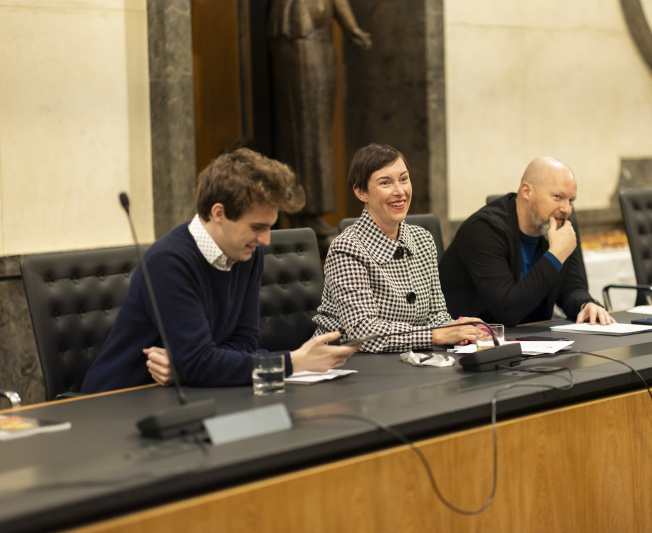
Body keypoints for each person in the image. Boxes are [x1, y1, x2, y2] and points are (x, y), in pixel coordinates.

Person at [81, 148, 358, 394]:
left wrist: (189, 366)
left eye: (269, 227)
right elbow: (200, 361)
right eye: (257, 227)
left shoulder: (249, 253)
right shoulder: (169, 261)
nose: (266, 240)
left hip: (189, 393)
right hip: (121, 401)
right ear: (218, 213)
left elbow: (245, 341)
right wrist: (294, 362)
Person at [313, 143, 478, 352]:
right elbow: (364, 334)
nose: (400, 191)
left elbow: (436, 315)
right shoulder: (346, 248)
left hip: (407, 358)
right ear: (361, 192)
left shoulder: (423, 239)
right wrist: (438, 335)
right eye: (385, 183)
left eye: (404, 179)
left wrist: (459, 331)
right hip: (344, 363)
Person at [438, 157, 614, 327]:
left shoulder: (555, 225)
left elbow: (571, 289)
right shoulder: (484, 229)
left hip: (532, 340)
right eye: (557, 197)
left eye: (571, 200)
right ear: (526, 191)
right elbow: (507, 311)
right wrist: (555, 256)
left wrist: (586, 304)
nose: (566, 209)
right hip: (472, 343)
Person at [267, 0, 372, 246]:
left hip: (317, 31)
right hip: (297, 29)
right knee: (304, 123)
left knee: (317, 125)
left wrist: (351, 27)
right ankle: (302, 209)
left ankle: (310, 209)